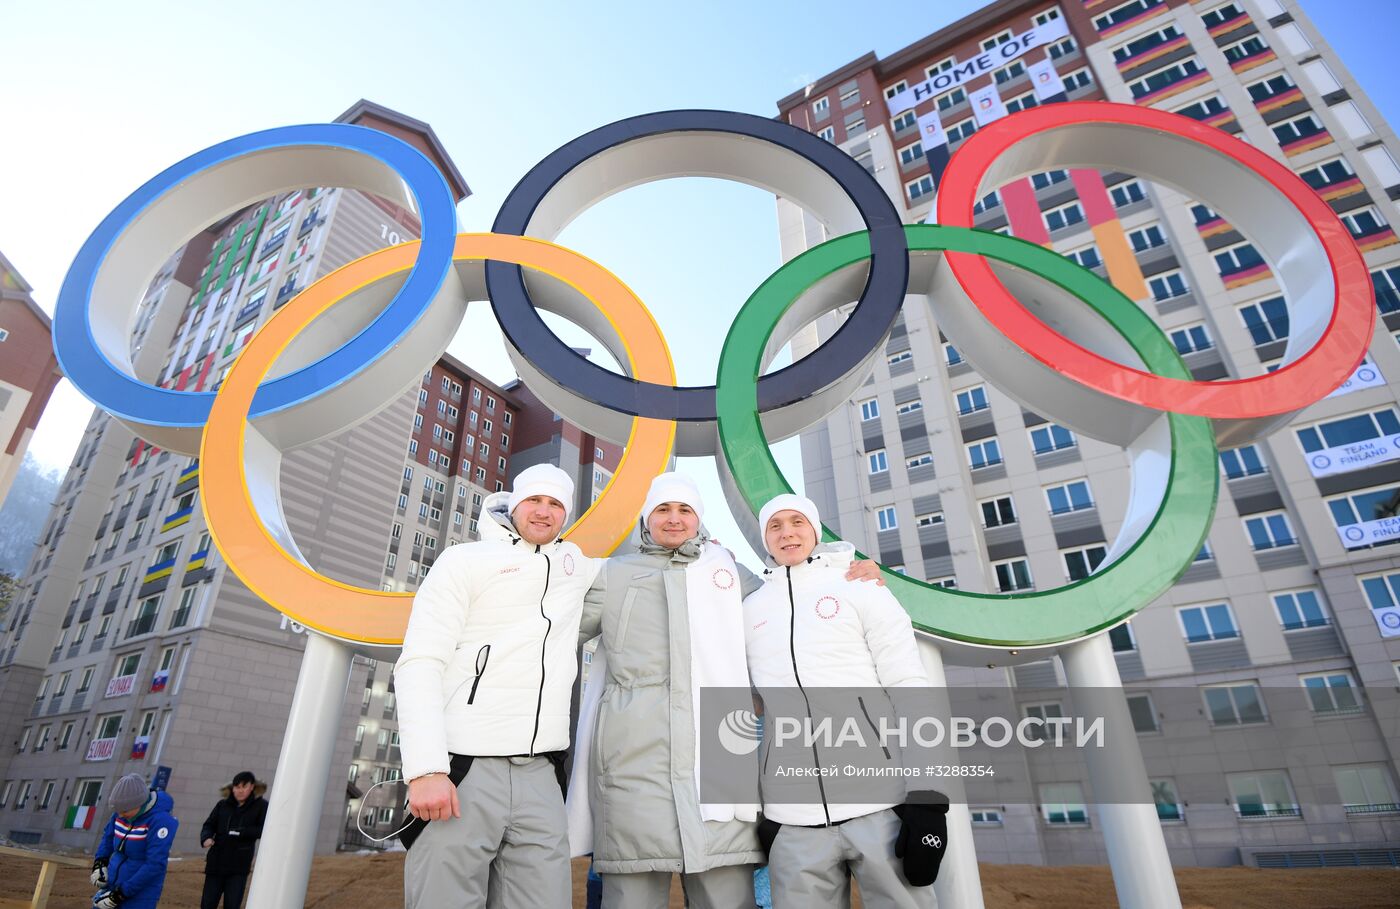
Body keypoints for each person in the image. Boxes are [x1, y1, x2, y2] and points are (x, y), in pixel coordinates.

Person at [569, 474, 884, 909]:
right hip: (633, 761)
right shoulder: (614, 574)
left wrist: (844, 572)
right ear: (647, 519)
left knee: (726, 894)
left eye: (684, 510)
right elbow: (552, 632)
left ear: (699, 519)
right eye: (663, 509)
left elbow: (788, 603)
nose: (674, 519)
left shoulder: (728, 572)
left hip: (719, 755)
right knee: (632, 894)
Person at [393, 463, 602, 909]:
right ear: (514, 504)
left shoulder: (575, 567)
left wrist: (704, 555)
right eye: (534, 500)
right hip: (464, 768)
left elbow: (641, 574)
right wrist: (426, 768)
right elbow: (419, 664)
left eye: (555, 504)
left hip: (541, 773)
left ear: (566, 514)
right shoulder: (464, 561)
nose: (544, 512)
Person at [743, 493, 944, 909]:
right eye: (775, 525)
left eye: (797, 521)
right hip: (793, 819)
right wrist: (767, 812)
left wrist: (928, 796)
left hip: (880, 804)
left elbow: (908, 685)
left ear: (814, 530)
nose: (787, 532)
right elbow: (750, 709)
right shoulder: (752, 609)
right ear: (765, 538)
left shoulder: (860, 587)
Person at [90, 773, 178, 909]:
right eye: (117, 811)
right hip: (113, 884)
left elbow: (155, 864)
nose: (120, 815)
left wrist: (120, 894)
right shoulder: (121, 811)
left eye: (124, 811)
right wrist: (100, 863)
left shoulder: (161, 821)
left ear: (139, 804)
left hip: (140, 893)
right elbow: (107, 838)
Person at [199, 770, 268, 909]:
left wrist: (241, 832)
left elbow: (264, 830)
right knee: (207, 904)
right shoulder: (222, 805)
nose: (240, 791)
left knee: (232, 905)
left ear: (252, 787)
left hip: (239, 866)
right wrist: (206, 837)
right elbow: (209, 825)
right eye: (237, 787)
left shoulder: (261, 806)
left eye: (244, 787)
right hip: (216, 864)